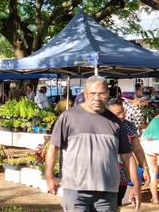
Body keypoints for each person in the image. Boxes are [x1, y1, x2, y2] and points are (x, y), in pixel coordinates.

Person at [45, 76, 141, 211]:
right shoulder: (68, 117)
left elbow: (127, 156)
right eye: (92, 93)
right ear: (85, 94)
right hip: (75, 190)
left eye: (101, 93)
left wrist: (136, 185)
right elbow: (53, 147)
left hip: (107, 192)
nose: (97, 97)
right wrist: (49, 176)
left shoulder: (115, 122)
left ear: (107, 94)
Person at [107, 98, 149, 209]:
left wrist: (145, 167)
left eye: (123, 112)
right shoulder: (103, 127)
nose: (122, 116)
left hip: (123, 176)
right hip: (105, 176)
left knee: (117, 205)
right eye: (117, 114)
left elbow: (137, 149)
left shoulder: (129, 126)